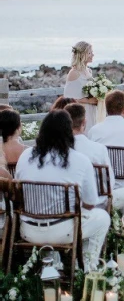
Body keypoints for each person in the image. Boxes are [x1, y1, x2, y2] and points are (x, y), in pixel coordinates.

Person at [15, 110, 110, 270]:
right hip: (63, 231)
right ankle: (87, 269)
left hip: (28, 230)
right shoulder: (79, 160)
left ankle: (52, 265)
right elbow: (91, 203)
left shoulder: (25, 156)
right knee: (102, 218)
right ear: (69, 132)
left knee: (57, 216)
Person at [65, 103, 124, 218]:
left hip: (67, 206)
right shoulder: (98, 149)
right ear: (84, 123)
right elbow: (109, 183)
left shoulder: (57, 151)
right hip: (98, 204)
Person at [63, 41, 98, 131]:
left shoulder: (89, 71)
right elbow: (68, 99)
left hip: (92, 111)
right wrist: (89, 101)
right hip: (82, 112)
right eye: (90, 53)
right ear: (82, 54)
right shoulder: (74, 73)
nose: (93, 55)